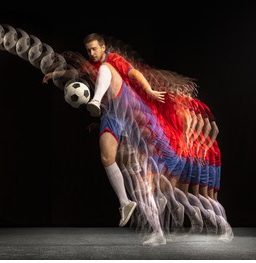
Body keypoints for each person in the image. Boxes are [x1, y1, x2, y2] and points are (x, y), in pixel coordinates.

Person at [43, 33, 166, 228]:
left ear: (103, 47)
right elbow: (75, 74)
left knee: (106, 68)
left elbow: (134, 74)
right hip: (111, 115)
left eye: (94, 49)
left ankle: (96, 100)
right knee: (108, 158)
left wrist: (149, 90)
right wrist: (55, 74)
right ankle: (126, 203)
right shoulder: (91, 66)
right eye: (88, 50)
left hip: (127, 106)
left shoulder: (113, 59)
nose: (91, 53)